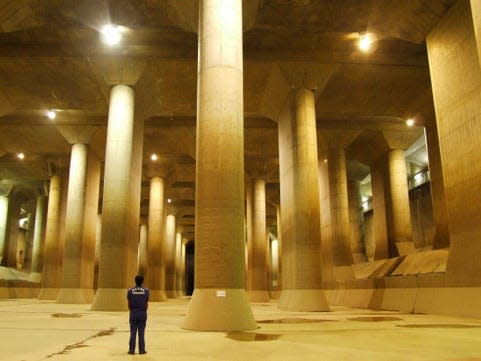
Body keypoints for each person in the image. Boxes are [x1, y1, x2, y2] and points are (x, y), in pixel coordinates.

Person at [127, 275, 149, 354]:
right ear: (142, 281)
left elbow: (129, 304)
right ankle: (142, 350)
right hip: (142, 313)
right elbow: (146, 303)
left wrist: (132, 310)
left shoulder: (130, 290)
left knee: (133, 332)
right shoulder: (146, 291)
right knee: (141, 332)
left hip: (133, 313)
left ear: (135, 281)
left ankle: (131, 350)